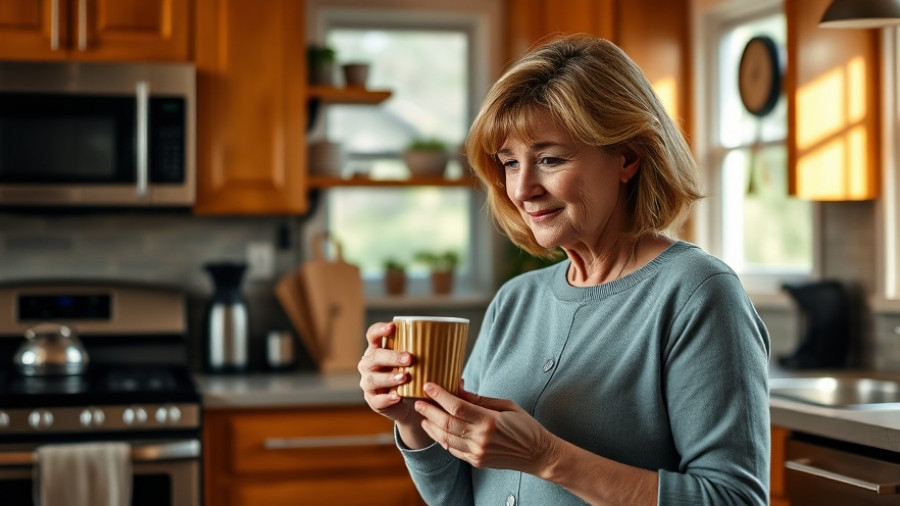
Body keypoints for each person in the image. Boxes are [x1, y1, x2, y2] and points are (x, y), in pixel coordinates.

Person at [358, 34, 770, 506]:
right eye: (510, 163)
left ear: (628, 157)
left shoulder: (696, 293)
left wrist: (547, 458)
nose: (522, 188)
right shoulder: (515, 301)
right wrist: (415, 422)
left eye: (550, 159)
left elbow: (733, 499)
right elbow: (458, 497)